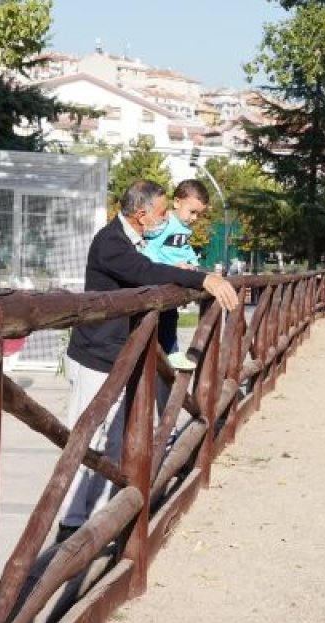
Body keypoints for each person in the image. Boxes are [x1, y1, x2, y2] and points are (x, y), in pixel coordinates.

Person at [57, 179, 238, 542]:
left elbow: (153, 269)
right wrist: (203, 279)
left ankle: (101, 516)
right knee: (85, 437)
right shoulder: (111, 242)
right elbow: (144, 273)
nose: (165, 217)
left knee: (115, 438)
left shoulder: (134, 240)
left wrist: (189, 275)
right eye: (160, 212)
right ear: (141, 214)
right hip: (95, 354)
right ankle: (71, 522)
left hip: (119, 353)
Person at [141, 179, 209, 367]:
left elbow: (185, 249)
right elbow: (150, 248)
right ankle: (167, 353)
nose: (194, 218)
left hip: (173, 280)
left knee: (171, 316)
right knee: (159, 318)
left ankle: (171, 353)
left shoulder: (184, 229)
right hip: (159, 278)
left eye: (198, 214)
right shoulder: (165, 222)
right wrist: (170, 265)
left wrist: (193, 263)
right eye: (192, 212)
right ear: (177, 202)